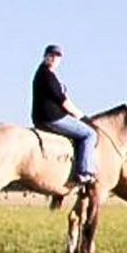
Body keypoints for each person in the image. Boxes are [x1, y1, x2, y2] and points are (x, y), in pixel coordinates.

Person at [30, 45, 97, 185]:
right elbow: (65, 103)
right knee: (89, 134)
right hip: (52, 117)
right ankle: (85, 172)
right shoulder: (48, 76)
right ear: (45, 56)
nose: (54, 59)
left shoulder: (43, 73)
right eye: (52, 55)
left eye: (57, 56)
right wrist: (83, 117)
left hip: (44, 116)